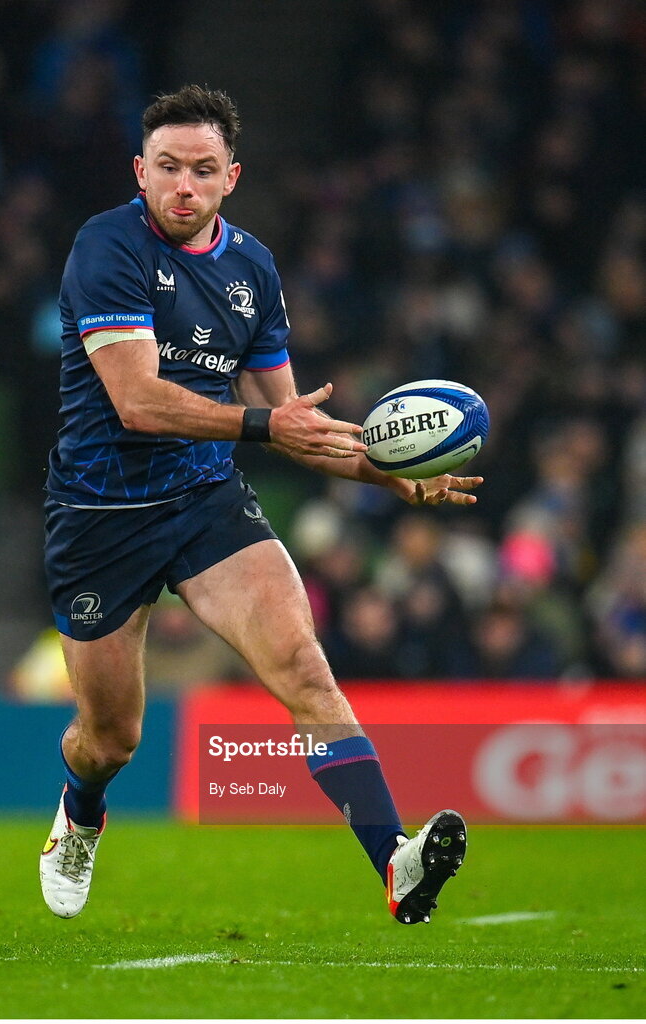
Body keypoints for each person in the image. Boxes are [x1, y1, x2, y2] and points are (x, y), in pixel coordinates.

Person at [39, 85, 481, 924]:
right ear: (141, 170)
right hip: (100, 516)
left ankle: (395, 862)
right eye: (167, 168)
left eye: (203, 171)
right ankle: (80, 815)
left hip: (205, 499)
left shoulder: (252, 267)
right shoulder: (106, 246)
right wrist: (262, 422)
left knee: (306, 671)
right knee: (110, 739)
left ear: (231, 178)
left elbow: (294, 426)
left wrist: (394, 475)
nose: (183, 186)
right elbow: (138, 400)